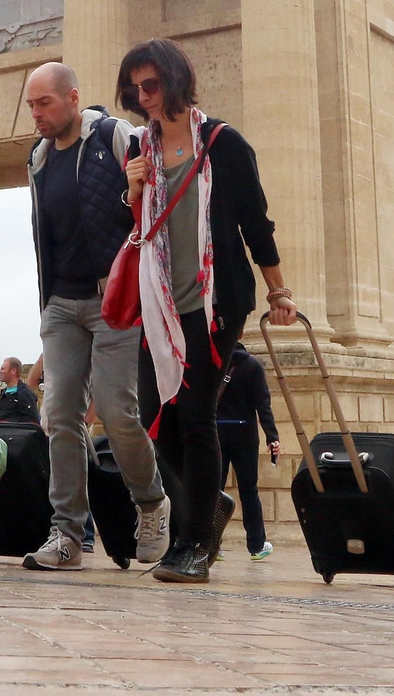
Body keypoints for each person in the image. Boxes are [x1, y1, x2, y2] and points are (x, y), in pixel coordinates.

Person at [119, 38, 298, 584]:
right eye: (134, 88)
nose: (143, 96)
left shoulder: (222, 142)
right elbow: (139, 233)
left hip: (213, 301)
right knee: (155, 414)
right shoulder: (139, 152)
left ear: (175, 80)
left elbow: (255, 222)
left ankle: (195, 541)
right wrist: (131, 192)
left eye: (151, 84)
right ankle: (210, 505)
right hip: (159, 303)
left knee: (195, 414)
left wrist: (278, 291)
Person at [19, 61, 170, 571]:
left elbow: (164, 193)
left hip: (115, 300)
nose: (36, 114)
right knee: (58, 413)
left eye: (44, 103)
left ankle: (151, 503)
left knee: (116, 409)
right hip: (61, 304)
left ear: (72, 98)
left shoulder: (114, 135)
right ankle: (66, 534)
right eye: (31, 105)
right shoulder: (38, 159)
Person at [215, 343, 279, 561]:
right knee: (249, 491)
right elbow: (263, 405)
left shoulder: (214, 362)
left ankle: (212, 545)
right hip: (244, 435)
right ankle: (257, 545)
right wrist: (272, 436)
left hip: (216, 433)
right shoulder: (253, 366)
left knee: (214, 492)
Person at [0, 357, 41, 425]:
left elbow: (32, 421)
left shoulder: (25, 393)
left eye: (3, 369)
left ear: (13, 371)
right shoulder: (4, 392)